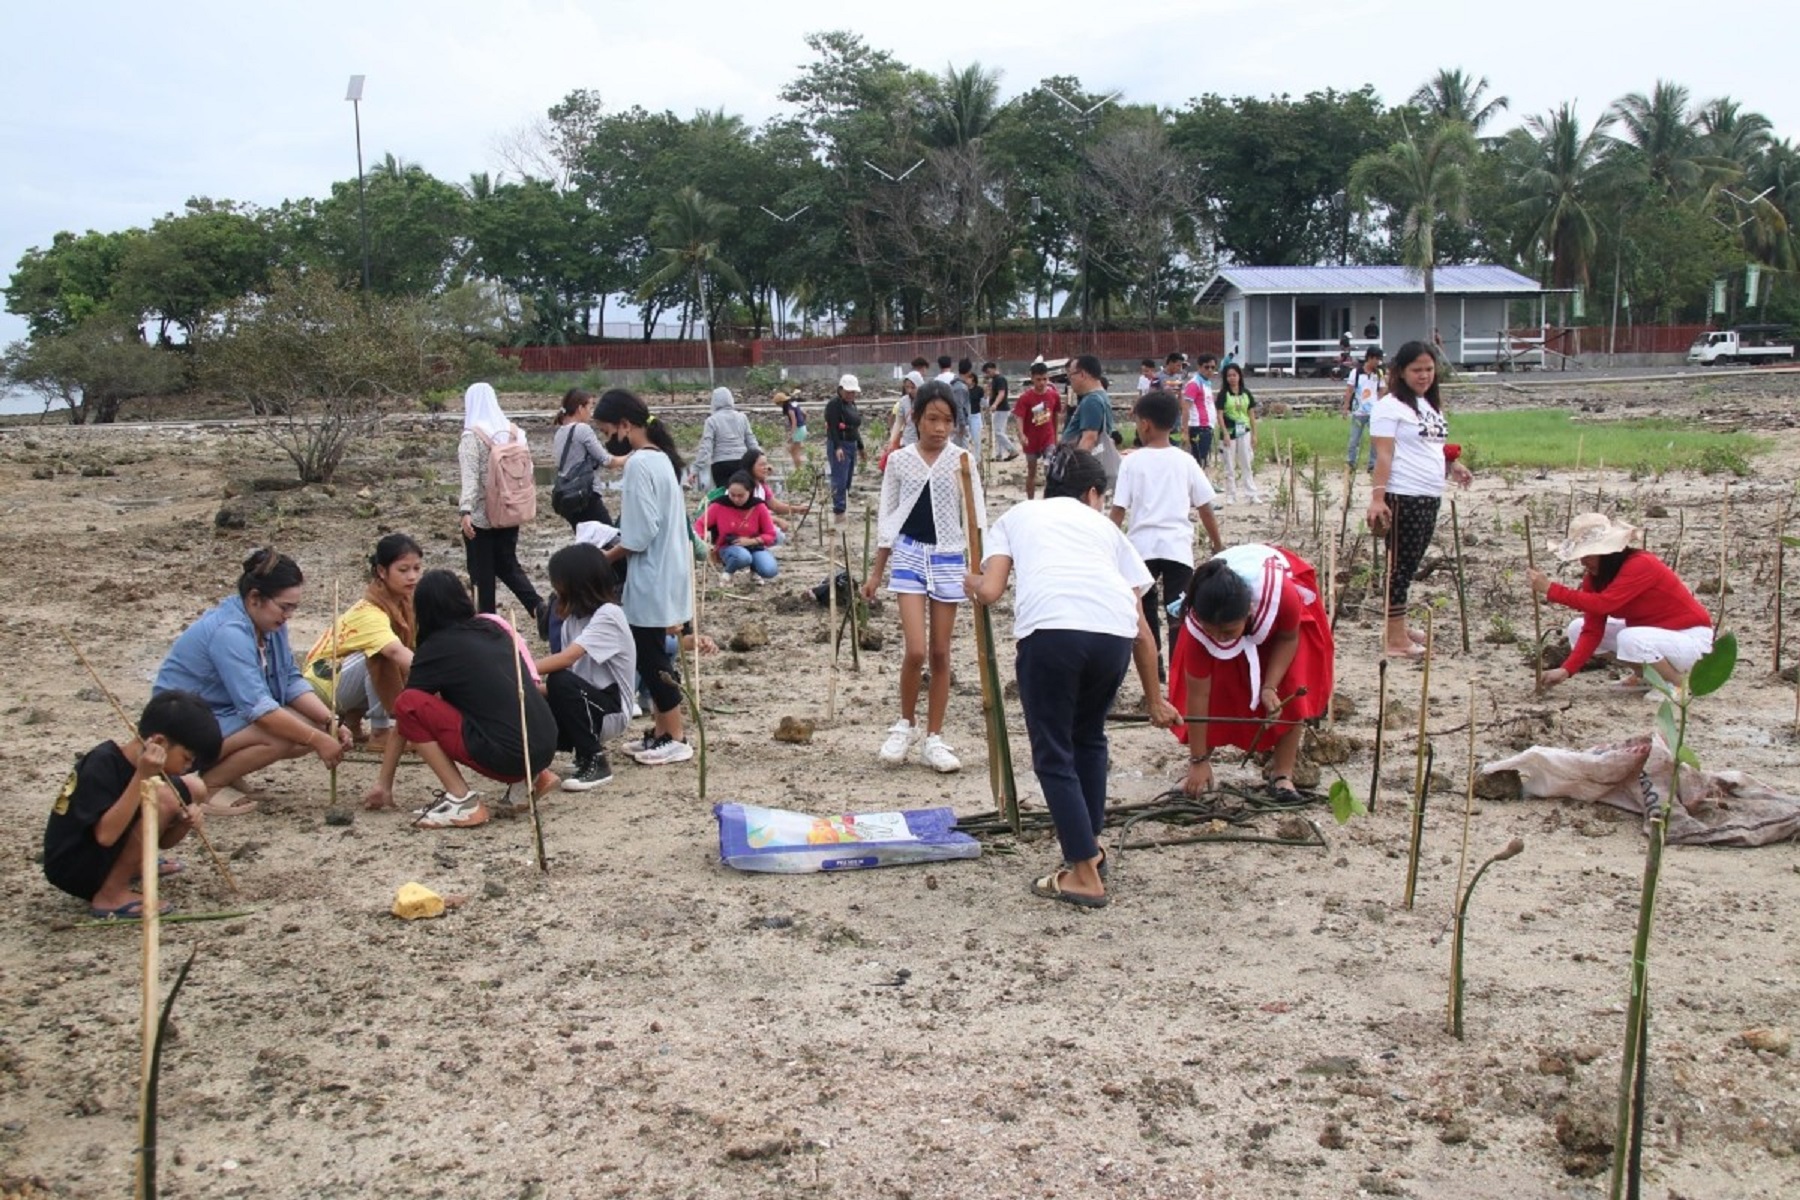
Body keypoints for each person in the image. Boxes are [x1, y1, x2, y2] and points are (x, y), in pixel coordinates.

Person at [965, 447, 1178, 908]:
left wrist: (972, 583)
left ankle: (1083, 873)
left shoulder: (1019, 514)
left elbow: (991, 591)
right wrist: (1155, 699)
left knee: (1054, 752)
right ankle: (1090, 849)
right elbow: (1143, 632)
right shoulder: (1106, 529)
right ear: (1093, 494)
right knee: (1089, 737)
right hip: (1112, 639)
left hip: (1053, 635)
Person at [154, 549, 351, 809]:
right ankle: (208, 787)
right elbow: (259, 710)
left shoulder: (271, 624)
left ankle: (228, 774)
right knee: (284, 733)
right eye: (284, 607)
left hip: (220, 717)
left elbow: (290, 680)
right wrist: (316, 740)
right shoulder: (230, 633)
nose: (289, 615)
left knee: (310, 724)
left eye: (293, 608)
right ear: (255, 598)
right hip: (183, 732)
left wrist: (329, 721)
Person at [863, 381, 984, 773]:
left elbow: (976, 518)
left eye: (947, 420)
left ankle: (934, 737)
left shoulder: (963, 460)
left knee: (940, 652)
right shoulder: (899, 462)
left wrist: (979, 570)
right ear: (916, 419)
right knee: (915, 649)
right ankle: (905, 724)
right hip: (908, 554)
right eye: (932, 419)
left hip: (949, 557)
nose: (939, 428)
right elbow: (888, 517)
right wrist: (876, 572)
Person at [1169, 545, 1334, 804]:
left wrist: (1269, 687)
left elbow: (1289, 638)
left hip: (1281, 625)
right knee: (1221, 688)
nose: (1219, 638)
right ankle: (1200, 767)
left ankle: (1282, 775)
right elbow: (1199, 694)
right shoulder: (1197, 629)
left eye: (1228, 632)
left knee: (1292, 687)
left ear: (1248, 614)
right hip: (1228, 609)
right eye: (1213, 632)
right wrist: (1197, 760)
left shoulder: (1282, 595)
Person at [393, 571, 559, 827]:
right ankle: (532, 777)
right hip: (544, 745)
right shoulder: (492, 627)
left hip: (509, 756)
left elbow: (409, 711)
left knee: (408, 703)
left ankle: (461, 800)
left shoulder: (436, 647)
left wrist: (384, 781)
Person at [43, 691, 221, 919]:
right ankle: (111, 894)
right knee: (165, 798)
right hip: (76, 866)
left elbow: (166, 842)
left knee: (194, 787)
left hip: (108, 847)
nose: (189, 765)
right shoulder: (102, 764)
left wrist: (184, 824)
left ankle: (137, 863)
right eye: (186, 758)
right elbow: (105, 835)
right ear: (158, 743)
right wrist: (143, 776)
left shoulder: (153, 769)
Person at [592, 389, 695, 765]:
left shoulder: (639, 464)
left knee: (651, 658)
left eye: (607, 430)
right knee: (649, 651)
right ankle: (663, 731)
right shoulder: (661, 459)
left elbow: (640, 533)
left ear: (624, 425)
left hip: (651, 574)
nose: (608, 439)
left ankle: (677, 736)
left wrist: (605, 556)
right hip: (666, 568)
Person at [1366, 340, 1473, 658]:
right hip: (1404, 495)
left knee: (1409, 565)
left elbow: (1430, 446)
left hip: (1429, 493)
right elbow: (1383, 455)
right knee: (1398, 566)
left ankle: (1396, 625)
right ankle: (1395, 639)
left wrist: (1452, 465)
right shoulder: (1389, 407)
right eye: (1417, 370)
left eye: (1429, 369)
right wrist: (1377, 498)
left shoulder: (1429, 405)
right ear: (1401, 371)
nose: (1424, 375)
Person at [301, 533, 423, 810]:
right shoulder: (370, 611)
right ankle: (381, 730)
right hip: (323, 686)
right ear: (381, 571)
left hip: (344, 681)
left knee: (392, 654)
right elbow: (397, 653)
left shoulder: (404, 603)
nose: (412, 577)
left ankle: (354, 723)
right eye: (403, 570)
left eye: (416, 568)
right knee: (383, 654)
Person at [1529, 514, 1715, 694]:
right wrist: (1566, 670)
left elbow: (1603, 604)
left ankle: (1676, 684)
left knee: (1630, 638)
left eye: (1589, 554)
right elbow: (1593, 629)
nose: (1583, 562)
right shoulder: (1595, 579)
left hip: (1690, 639)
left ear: (1608, 552)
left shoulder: (1641, 564)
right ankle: (1648, 677)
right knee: (1577, 629)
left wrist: (1551, 590)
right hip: (1656, 637)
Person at [1110, 390, 1225, 677]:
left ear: (1145, 424)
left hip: (1142, 548)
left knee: (1145, 610)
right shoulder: (1185, 461)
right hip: (1177, 547)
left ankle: (1155, 663)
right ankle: (1177, 666)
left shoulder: (1132, 463)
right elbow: (1205, 507)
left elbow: (1119, 511)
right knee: (1178, 610)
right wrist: (1217, 544)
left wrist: (1106, 543)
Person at [536, 544, 636, 790]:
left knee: (557, 678)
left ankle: (595, 759)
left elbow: (567, 660)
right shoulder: (572, 621)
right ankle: (579, 753)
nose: (555, 589)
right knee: (536, 693)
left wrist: (520, 667)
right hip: (587, 704)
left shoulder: (609, 614)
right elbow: (568, 685)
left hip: (611, 709)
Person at [458, 382, 547, 619]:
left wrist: (465, 510)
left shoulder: (472, 437)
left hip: (481, 516)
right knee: (507, 564)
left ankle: (487, 621)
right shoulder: (516, 433)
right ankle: (538, 607)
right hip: (510, 510)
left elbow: (470, 478)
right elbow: (527, 471)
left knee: (482, 574)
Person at [550, 387, 617, 531]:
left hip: (568, 498)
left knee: (586, 541)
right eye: (590, 407)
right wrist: (632, 457)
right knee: (610, 540)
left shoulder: (560, 432)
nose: (591, 413)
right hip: (586, 496)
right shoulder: (582, 429)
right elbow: (606, 461)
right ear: (580, 408)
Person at [704, 470, 780, 584]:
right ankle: (728, 573)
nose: (736, 499)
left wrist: (751, 541)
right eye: (732, 495)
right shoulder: (719, 505)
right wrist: (702, 540)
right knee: (743, 557)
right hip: (728, 546)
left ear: (750, 492)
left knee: (770, 570)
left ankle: (755, 571)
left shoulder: (759, 506)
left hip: (754, 547)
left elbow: (771, 534)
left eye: (740, 496)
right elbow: (701, 523)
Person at [694, 386, 762, 490]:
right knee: (742, 494)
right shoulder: (742, 417)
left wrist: (696, 468)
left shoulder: (711, 420)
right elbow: (751, 441)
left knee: (724, 497)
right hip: (742, 462)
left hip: (721, 465)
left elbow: (706, 447)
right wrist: (761, 460)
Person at [1015, 361, 1061, 499]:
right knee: (1032, 472)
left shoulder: (1054, 395)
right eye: (1038, 379)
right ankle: (1031, 501)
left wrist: (1056, 435)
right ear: (1032, 379)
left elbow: (1056, 414)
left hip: (1048, 438)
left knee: (1050, 470)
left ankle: (1049, 499)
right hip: (1031, 440)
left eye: (1045, 379)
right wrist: (1021, 434)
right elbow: (1019, 417)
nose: (1042, 383)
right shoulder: (1025, 398)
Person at [1217, 362, 1261, 504]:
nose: (1232, 378)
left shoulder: (1246, 393)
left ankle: (1251, 493)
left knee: (1246, 462)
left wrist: (1254, 434)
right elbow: (1220, 414)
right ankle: (1231, 494)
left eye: (1234, 375)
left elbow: (1251, 414)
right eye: (1229, 376)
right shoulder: (1223, 394)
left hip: (1244, 431)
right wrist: (1224, 433)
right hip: (1229, 431)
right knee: (1229, 464)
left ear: (1239, 376)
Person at [824, 374, 866, 526]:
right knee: (839, 479)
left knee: (848, 479)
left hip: (851, 443)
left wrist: (860, 447)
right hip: (839, 443)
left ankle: (843, 506)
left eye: (853, 392)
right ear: (840, 390)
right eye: (848, 392)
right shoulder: (834, 405)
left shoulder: (852, 405)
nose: (851, 395)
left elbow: (855, 428)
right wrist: (837, 447)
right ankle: (839, 512)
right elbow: (833, 427)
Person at [741, 449, 809, 541]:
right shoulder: (743, 486)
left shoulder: (761, 486)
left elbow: (775, 506)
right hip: (741, 527)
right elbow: (749, 514)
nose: (766, 468)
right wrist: (777, 520)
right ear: (750, 466)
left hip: (754, 524)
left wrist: (797, 509)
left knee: (778, 536)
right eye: (762, 465)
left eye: (766, 464)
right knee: (777, 535)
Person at [1342, 346, 1384, 474]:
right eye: (1377, 359)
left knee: (1375, 439)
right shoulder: (1356, 373)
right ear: (1370, 358)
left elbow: (1382, 390)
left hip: (1374, 412)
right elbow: (1349, 390)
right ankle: (1351, 463)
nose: (1378, 362)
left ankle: (1372, 464)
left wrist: (1381, 406)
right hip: (1358, 411)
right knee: (1354, 439)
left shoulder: (1379, 373)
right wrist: (1346, 407)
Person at [1182, 354, 1219, 468]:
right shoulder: (1194, 384)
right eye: (1206, 367)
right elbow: (1185, 407)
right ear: (1199, 367)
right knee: (1198, 463)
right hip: (1198, 427)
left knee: (1202, 462)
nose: (1210, 370)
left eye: (1213, 367)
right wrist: (1185, 432)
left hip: (1207, 427)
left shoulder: (1206, 382)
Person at [884, 370, 925, 461]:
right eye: (907, 387)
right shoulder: (903, 401)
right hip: (908, 441)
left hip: (924, 441)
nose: (910, 390)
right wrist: (892, 441)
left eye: (913, 387)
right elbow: (898, 422)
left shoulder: (926, 400)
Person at [983, 362, 1016, 460]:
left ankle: (1012, 449)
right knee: (998, 432)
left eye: (988, 372)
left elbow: (1001, 393)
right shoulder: (994, 380)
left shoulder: (1000, 379)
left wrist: (995, 404)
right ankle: (999, 454)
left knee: (998, 432)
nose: (988, 374)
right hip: (998, 409)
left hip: (1001, 409)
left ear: (994, 369)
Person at [775, 392, 808, 471]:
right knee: (793, 449)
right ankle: (798, 468)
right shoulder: (794, 404)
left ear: (781, 402)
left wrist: (791, 434)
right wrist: (804, 423)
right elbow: (805, 414)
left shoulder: (789, 409)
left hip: (798, 429)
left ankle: (799, 470)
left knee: (794, 452)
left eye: (778, 404)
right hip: (802, 428)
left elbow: (794, 422)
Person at [958, 358, 983, 455]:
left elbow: (983, 403)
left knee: (976, 438)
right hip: (966, 416)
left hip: (975, 415)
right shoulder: (962, 388)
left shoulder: (978, 389)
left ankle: (976, 458)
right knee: (966, 440)